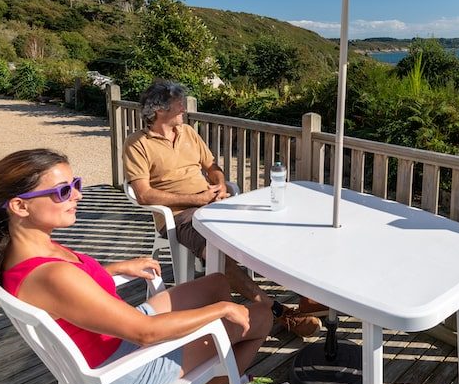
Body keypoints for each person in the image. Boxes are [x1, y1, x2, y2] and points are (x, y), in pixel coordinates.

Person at [0, 149, 287, 384]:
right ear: (19, 206)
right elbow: (145, 333)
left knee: (218, 282)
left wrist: (112, 269)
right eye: (63, 191)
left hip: (112, 339)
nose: (78, 195)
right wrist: (221, 310)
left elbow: (68, 292)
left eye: (76, 184)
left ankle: (228, 376)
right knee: (258, 317)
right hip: (124, 371)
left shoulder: (22, 251)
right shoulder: (52, 275)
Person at [123, 80, 325, 338]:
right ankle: (279, 311)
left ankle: (307, 298)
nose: (184, 107)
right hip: (179, 216)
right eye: (179, 103)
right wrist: (196, 200)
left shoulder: (188, 133)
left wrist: (219, 185)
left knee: (270, 228)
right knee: (218, 253)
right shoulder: (137, 144)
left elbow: (212, 167)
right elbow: (144, 194)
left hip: (213, 203)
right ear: (160, 110)